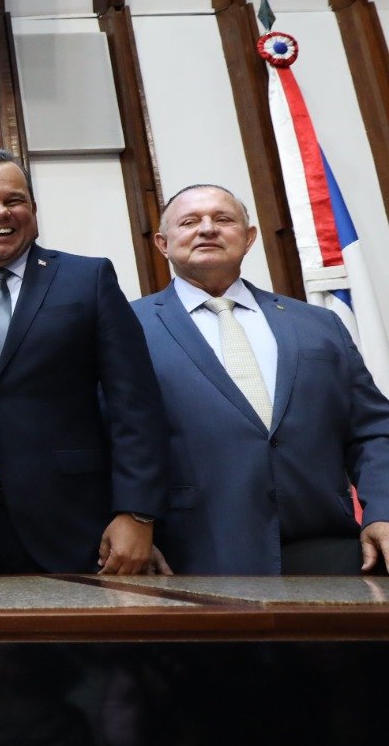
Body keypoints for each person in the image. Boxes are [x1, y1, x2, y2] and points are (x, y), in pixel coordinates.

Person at [0, 149, 167, 575]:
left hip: (73, 521)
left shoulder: (87, 280)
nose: (0, 212)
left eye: (13, 200)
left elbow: (135, 406)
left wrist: (137, 513)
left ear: (33, 210)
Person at [133, 184, 389, 574]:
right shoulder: (127, 327)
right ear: (163, 244)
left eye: (223, 219)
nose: (207, 229)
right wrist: (132, 524)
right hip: (194, 553)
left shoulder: (319, 324)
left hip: (328, 548)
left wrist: (382, 509)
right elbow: (107, 439)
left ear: (249, 238)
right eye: (190, 222)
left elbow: (373, 429)